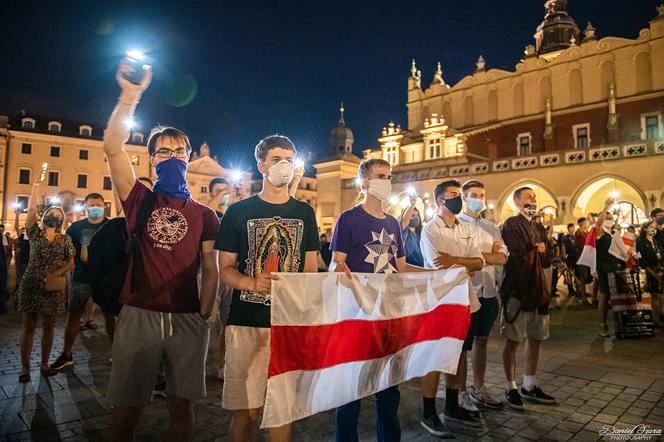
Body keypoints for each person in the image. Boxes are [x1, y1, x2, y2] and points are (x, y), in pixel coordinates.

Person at [103, 60, 220, 442]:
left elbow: (211, 265)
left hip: (187, 319)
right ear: (151, 159)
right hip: (140, 314)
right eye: (163, 151)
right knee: (127, 410)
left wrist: (205, 312)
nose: (171, 156)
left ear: (188, 157)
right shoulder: (139, 198)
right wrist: (130, 96)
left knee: (180, 408)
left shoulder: (205, 214)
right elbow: (112, 146)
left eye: (178, 151)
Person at [216, 134, 319, 442]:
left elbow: (311, 269)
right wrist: (251, 282)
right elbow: (224, 269)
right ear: (261, 165)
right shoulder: (238, 212)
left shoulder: (305, 213)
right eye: (277, 160)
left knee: (282, 410)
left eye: (289, 159)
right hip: (247, 322)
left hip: (288, 326)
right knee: (245, 412)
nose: (284, 166)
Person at [330, 158, 431, 441]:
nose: (386, 180)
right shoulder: (348, 219)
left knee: (388, 393)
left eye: (389, 176)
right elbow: (336, 263)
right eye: (380, 176)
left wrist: (438, 274)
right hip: (356, 315)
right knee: (351, 392)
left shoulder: (392, 224)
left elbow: (402, 268)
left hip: (387, 315)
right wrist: (338, 269)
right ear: (365, 182)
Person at [418, 179, 484, 435]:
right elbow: (439, 266)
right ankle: (428, 412)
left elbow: (478, 262)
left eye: (460, 194)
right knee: (437, 357)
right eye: (453, 195)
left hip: (467, 301)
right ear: (440, 201)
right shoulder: (430, 230)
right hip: (441, 303)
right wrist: (462, 265)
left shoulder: (464, 227)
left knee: (459, 356)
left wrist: (458, 262)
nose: (459, 199)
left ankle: (453, 406)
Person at [500, 187, 556, 410]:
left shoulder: (538, 226)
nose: (532, 200)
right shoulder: (512, 225)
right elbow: (515, 254)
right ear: (517, 202)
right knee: (513, 339)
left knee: (535, 338)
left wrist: (542, 250)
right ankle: (511, 386)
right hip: (517, 290)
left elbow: (549, 259)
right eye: (528, 197)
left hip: (538, 291)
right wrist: (536, 248)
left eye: (534, 197)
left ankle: (530, 384)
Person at [16, 171, 75, 382]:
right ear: (45, 217)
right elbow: (31, 210)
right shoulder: (34, 233)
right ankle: (24, 368)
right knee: (29, 326)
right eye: (52, 212)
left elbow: (70, 262)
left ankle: (44, 364)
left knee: (49, 327)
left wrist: (53, 274)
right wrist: (34, 186)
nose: (55, 214)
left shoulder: (65, 239)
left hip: (53, 287)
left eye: (58, 213)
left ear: (62, 220)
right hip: (31, 284)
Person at [459, 180, 507, 410]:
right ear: (464, 197)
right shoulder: (456, 225)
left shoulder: (491, 227)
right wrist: (488, 256)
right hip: (466, 293)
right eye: (473, 194)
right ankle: (460, 392)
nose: (478, 198)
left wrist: (476, 258)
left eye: (481, 194)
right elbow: (456, 259)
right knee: (462, 347)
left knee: (482, 341)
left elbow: (503, 258)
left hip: (488, 292)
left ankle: (478, 388)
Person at [50, 193, 109, 370]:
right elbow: (65, 253)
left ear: (104, 205)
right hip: (81, 279)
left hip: (105, 280)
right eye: (91, 205)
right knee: (74, 316)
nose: (95, 208)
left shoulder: (111, 226)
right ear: (85, 207)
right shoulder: (75, 228)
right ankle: (67, 354)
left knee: (111, 318)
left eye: (98, 204)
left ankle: (117, 354)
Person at [592, 199, 627, 338]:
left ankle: (620, 323)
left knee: (618, 296)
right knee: (604, 296)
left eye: (611, 218)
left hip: (615, 266)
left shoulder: (613, 233)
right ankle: (602, 325)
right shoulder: (599, 232)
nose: (610, 219)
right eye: (607, 217)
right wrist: (605, 206)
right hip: (604, 267)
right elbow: (599, 223)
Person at [636, 221, 664, 328]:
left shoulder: (656, 241)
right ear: (645, 229)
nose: (653, 229)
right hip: (650, 271)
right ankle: (655, 318)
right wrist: (653, 272)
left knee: (660, 294)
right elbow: (643, 260)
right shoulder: (641, 242)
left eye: (654, 227)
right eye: (651, 227)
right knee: (654, 295)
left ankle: (660, 315)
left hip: (660, 270)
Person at [400, 194, 424, 267]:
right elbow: (404, 221)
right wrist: (412, 205)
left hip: (423, 269)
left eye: (418, 216)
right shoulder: (404, 231)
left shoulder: (420, 234)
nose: (416, 218)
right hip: (409, 270)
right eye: (413, 216)